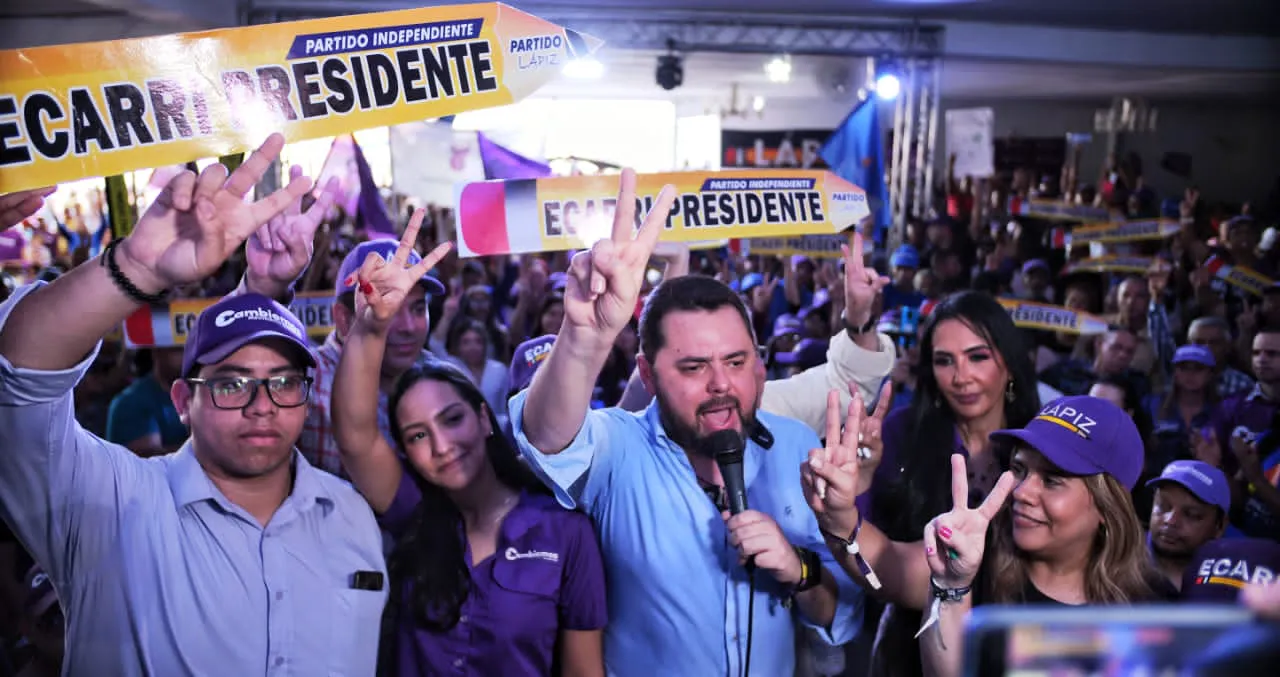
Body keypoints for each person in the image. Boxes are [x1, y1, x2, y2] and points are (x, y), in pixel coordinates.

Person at [0, 136, 387, 675]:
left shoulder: (351, 516)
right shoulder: (108, 506)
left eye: (284, 383)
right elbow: (20, 377)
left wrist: (261, 290)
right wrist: (137, 268)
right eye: (232, 386)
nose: (262, 406)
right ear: (183, 400)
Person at [512, 170, 862, 677]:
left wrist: (799, 568)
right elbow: (547, 438)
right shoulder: (619, 448)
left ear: (759, 363)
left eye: (737, 362)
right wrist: (585, 338)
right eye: (694, 367)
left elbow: (836, 615)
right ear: (647, 375)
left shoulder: (796, 447)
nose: (721, 384)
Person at [330, 215, 606, 677]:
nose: (442, 445)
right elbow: (355, 434)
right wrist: (373, 326)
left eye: (452, 419)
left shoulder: (566, 532)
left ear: (483, 418)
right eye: (417, 435)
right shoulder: (415, 513)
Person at [883, 396, 1172, 677]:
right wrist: (951, 585)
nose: (1021, 492)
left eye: (1051, 480)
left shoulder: (1156, 610)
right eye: (1020, 470)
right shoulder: (976, 564)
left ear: (1107, 506)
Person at [298, 236, 450, 479]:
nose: (409, 327)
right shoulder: (305, 382)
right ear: (344, 319)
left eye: (418, 309)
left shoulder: (441, 377)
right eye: (388, 309)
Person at [1146, 460, 1229, 590]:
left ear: (1220, 526)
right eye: (1163, 506)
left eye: (1191, 514)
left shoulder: (1230, 580)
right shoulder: (1120, 562)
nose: (1171, 520)